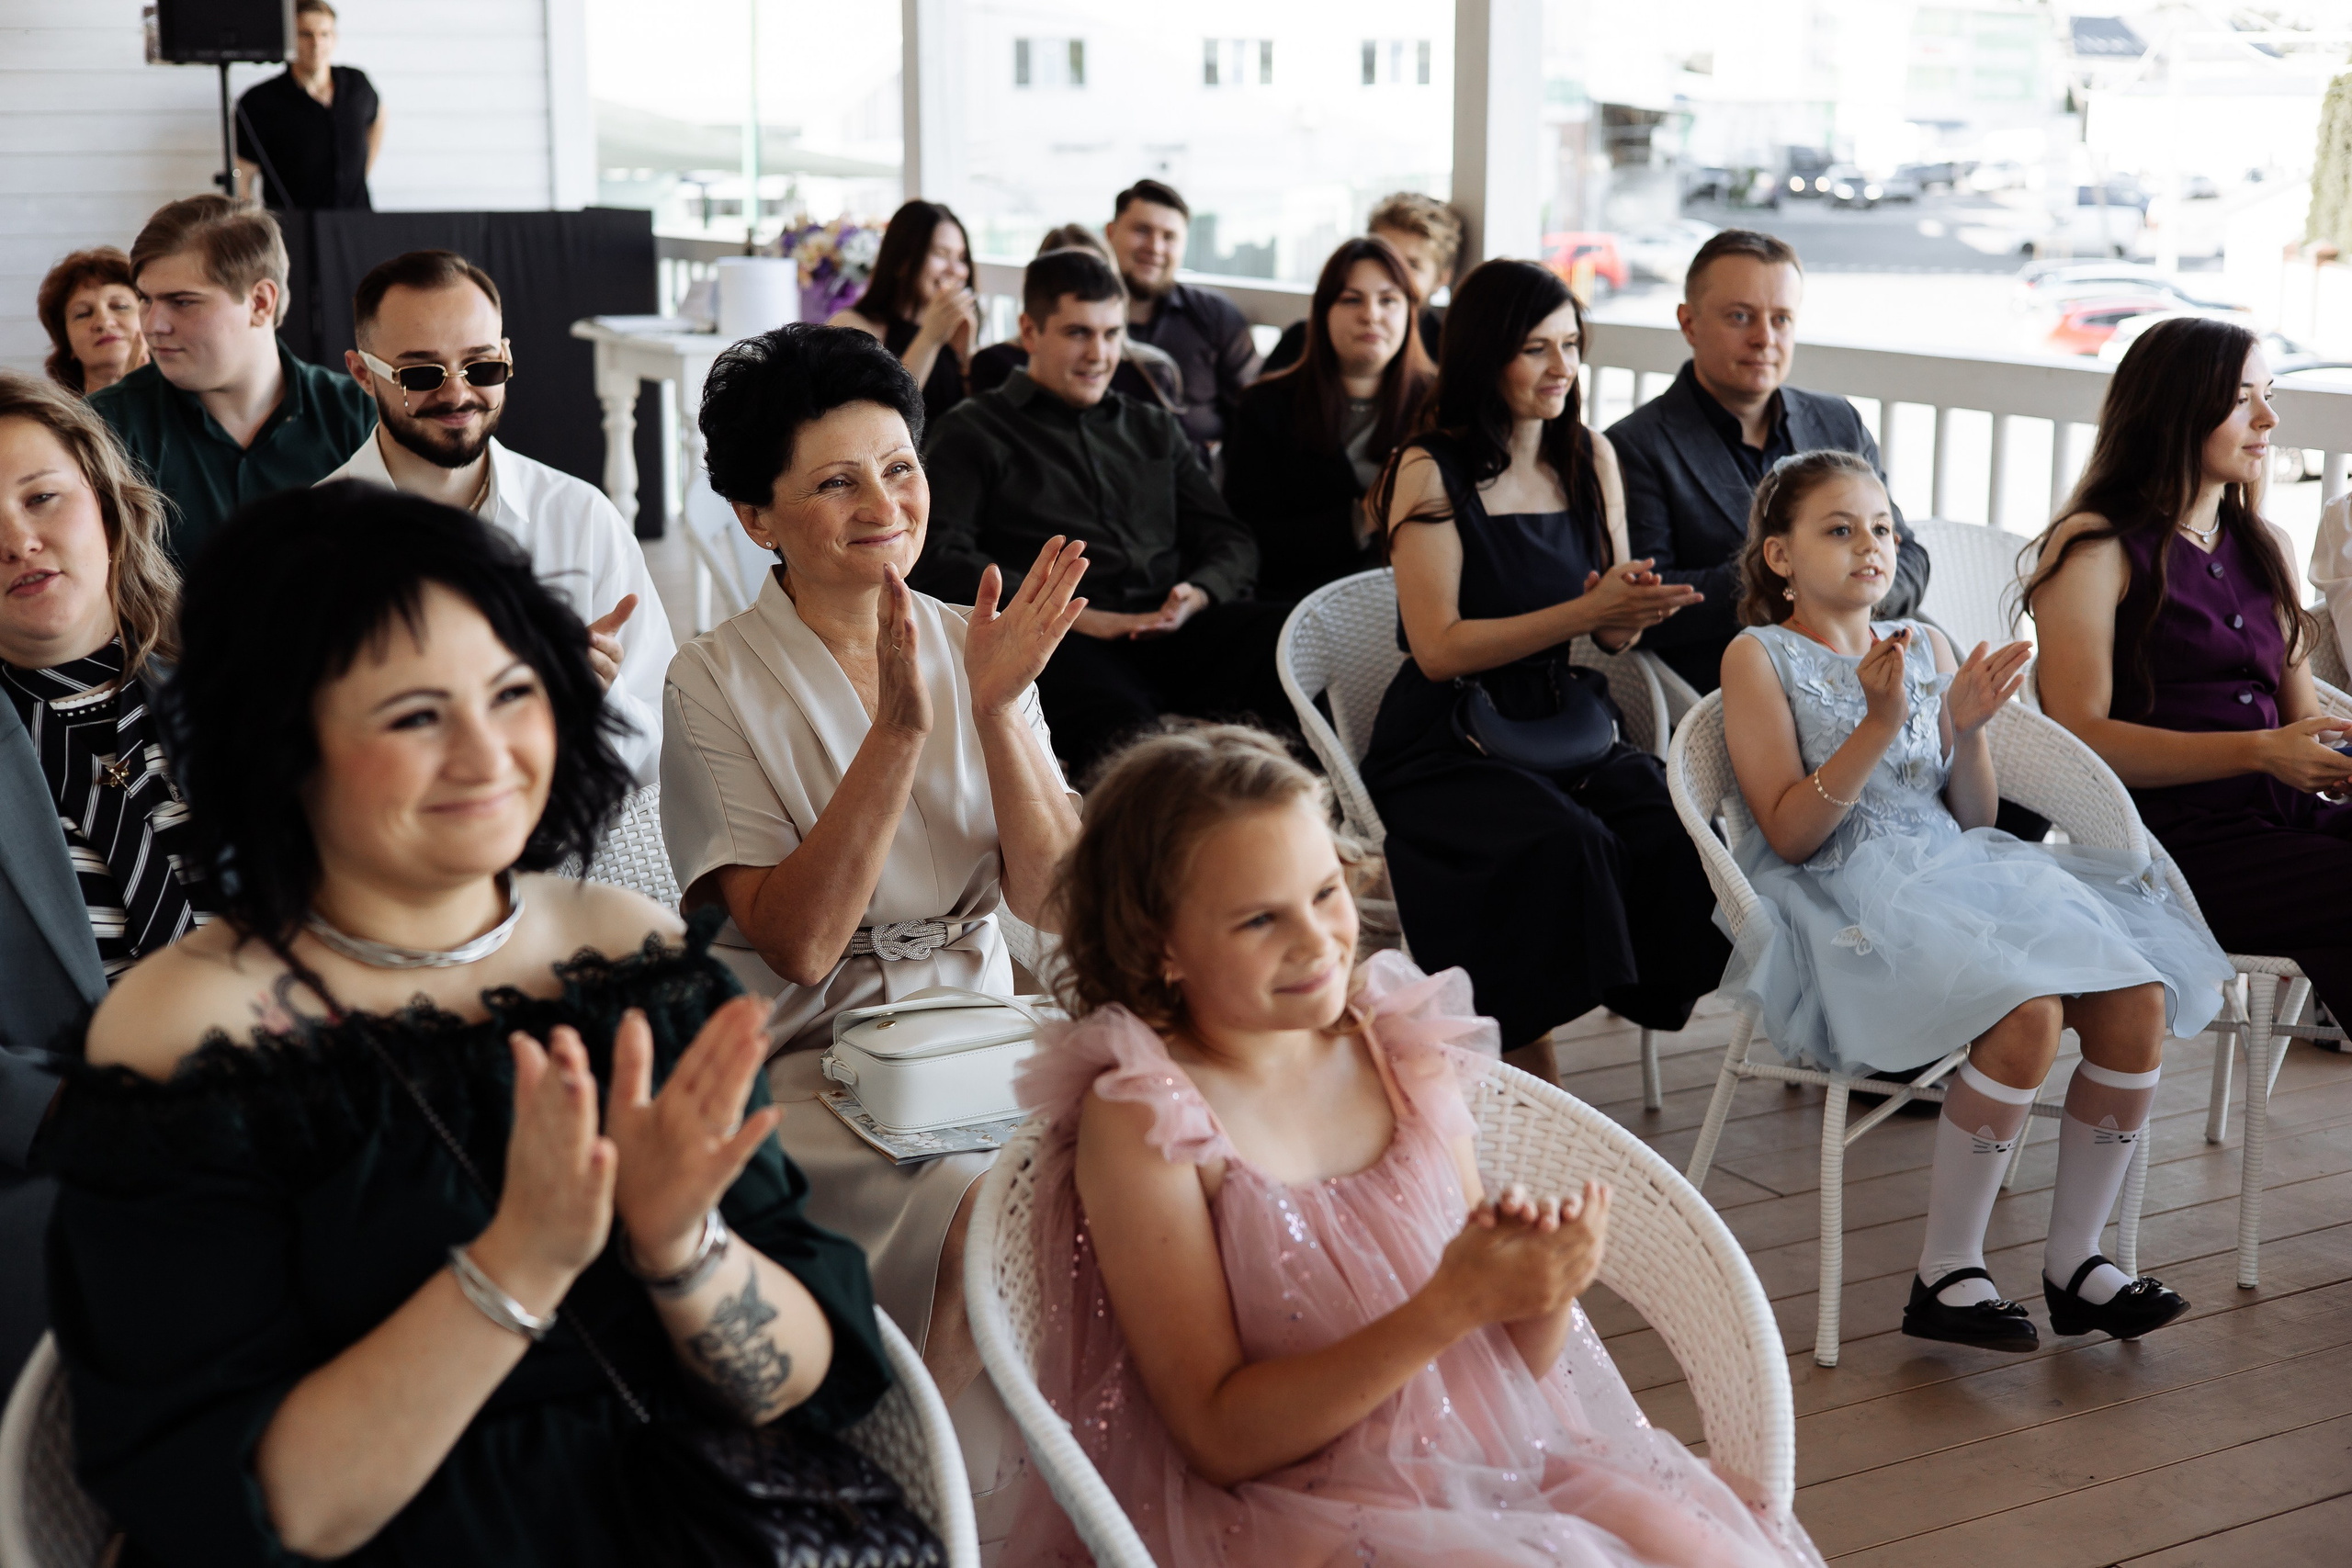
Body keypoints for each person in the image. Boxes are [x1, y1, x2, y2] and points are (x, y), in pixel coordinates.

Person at [45, 482, 901, 1566]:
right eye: (414, 716)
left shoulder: (625, 959)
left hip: (693, 1517)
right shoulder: (191, 1036)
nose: (488, 754)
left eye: (510, 693)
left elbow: (800, 1386)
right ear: (280, 743)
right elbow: (271, 1508)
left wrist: (682, 1244)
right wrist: (521, 1263)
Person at [1003, 724, 1825, 1567]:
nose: (1317, 940)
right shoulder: (1149, 1115)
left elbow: (1509, 1371)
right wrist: (1448, 1304)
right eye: (1259, 918)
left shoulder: (1396, 1049)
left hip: (1496, 1468)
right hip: (1285, 1509)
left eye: (1326, 892)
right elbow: (1216, 1434)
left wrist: (1535, 1288)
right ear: (1158, 943)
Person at [1720, 448, 2229, 1348]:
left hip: (1956, 867)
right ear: (1779, 557)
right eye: (1837, 530)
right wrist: (1880, 726)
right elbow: (1795, 833)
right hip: (1836, 890)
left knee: (2133, 996)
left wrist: (1968, 729)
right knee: (2025, 1012)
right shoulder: (1757, 656)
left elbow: (1973, 813)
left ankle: (2076, 1262)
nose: (1869, 547)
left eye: (1880, 528)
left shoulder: (1929, 643)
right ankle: (1944, 1272)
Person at [664, 322, 1084, 1394]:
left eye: (900, 469)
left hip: (988, 1032)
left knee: (1146, 1174)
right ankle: (952, 1504)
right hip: (810, 1061)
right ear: (756, 516)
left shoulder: (974, 642)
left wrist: (992, 711)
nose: (886, 507)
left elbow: (1053, 901)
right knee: (985, 1212)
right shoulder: (711, 681)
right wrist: (898, 732)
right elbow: (800, 945)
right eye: (837, 484)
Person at [1360, 259, 1722, 1049]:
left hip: (1559, 716)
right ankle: (1521, 1056)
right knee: (1564, 843)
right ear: (1486, 357)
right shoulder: (1428, 467)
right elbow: (1436, 649)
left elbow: (1609, 628)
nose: (1563, 368)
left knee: (1674, 826)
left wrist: (1628, 612)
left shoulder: (1589, 455)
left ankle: (1621, 988)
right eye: (1537, 349)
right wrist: (1586, 609)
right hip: (1447, 736)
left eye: (1571, 345)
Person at [2031, 315, 2352, 1021]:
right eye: (2243, 399)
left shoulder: (2268, 542)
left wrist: (2339, 753)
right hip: (2175, 851)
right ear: (2174, 408)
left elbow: (2306, 722)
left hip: (2287, 821)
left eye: (2267, 394)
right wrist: (2262, 751)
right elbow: (2084, 734)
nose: (2269, 418)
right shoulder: (2095, 547)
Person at [0, 373, 208, 1391]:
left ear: (106, 507)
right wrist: (76, 1122)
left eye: (42, 498)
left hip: (299, 1100)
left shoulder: (244, 695)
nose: (18, 540)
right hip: (71, 1157)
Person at [914, 246, 1290, 780]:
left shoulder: (1154, 426)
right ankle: (1145, 857)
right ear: (1030, 330)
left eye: (1112, 334)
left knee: (1290, 638)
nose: (1100, 354)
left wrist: (1198, 593)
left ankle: (1309, 833)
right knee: (1125, 732)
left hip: (1171, 627)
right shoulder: (973, 431)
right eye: (1078, 333)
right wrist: (1078, 615)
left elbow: (1229, 539)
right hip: (1064, 641)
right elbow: (938, 559)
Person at [322, 249, 673, 786]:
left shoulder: (582, 520)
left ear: (507, 357)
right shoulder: (310, 543)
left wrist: (599, 696)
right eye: (422, 373)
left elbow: (666, 758)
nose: (458, 392)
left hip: (566, 856)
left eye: (482, 366)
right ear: (363, 375)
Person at [1605, 229, 1926, 697]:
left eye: (1781, 319)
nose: (1764, 339)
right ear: (1689, 323)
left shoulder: (1839, 423)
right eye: (1740, 317)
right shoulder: (1635, 445)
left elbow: (1910, 557)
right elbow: (1651, 604)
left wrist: (1845, 599)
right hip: (1730, 698)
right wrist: (1817, 582)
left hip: (1870, 676)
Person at [91, 195, 376, 568]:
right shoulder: (105, 427)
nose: (152, 325)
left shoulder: (362, 417)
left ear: (260, 302)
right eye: (145, 299)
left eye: (182, 301)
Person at [1222, 235, 1433, 601]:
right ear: (1322, 314)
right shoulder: (1265, 405)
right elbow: (1247, 538)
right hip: (1300, 610)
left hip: (1419, 604)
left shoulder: (1441, 404)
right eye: (1352, 299)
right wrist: (1363, 517)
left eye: (1388, 300)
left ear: (1410, 314)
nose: (1371, 315)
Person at [1103, 178, 1261, 463]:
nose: (1155, 247)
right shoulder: (1082, 319)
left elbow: (1253, 416)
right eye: (1142, 230)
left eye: (1169, 237)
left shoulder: (1216, 317)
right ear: (1111, 233)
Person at [966, 225, 1185, 410]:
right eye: (1068, 277)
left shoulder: (1151, 370)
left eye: (1098, 277)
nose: (1097, 355)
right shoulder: (997, 363)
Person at [1262, 192, 1458, 373]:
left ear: (1441, 279)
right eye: (1383, 258)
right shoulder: (1301, 340)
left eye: (1412, 265)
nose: (1394, 274)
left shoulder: (1447, 355)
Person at [827, 198, 978, 430]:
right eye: (941, 254)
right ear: (902, 260)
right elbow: (879, 426)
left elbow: (979, 421)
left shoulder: (953, 329)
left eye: (960, 258)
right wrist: (929, 338)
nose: (956, 270)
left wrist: (966, 358)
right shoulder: (852, 326)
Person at [233, 0, 383, 211]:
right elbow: (241, 174)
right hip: (293, 228)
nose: (316, 43)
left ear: (335, 38)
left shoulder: (357, 85)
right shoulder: (260, 101)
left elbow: (379, 116)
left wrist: (363, 169)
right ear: (290, 38)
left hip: (356, 221)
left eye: (324, 34)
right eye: (306, 34)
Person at [37, 249, 149, 396]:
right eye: (82, 314)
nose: (103, 322)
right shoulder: (57, 418)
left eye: (120, 306)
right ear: (67, 342)